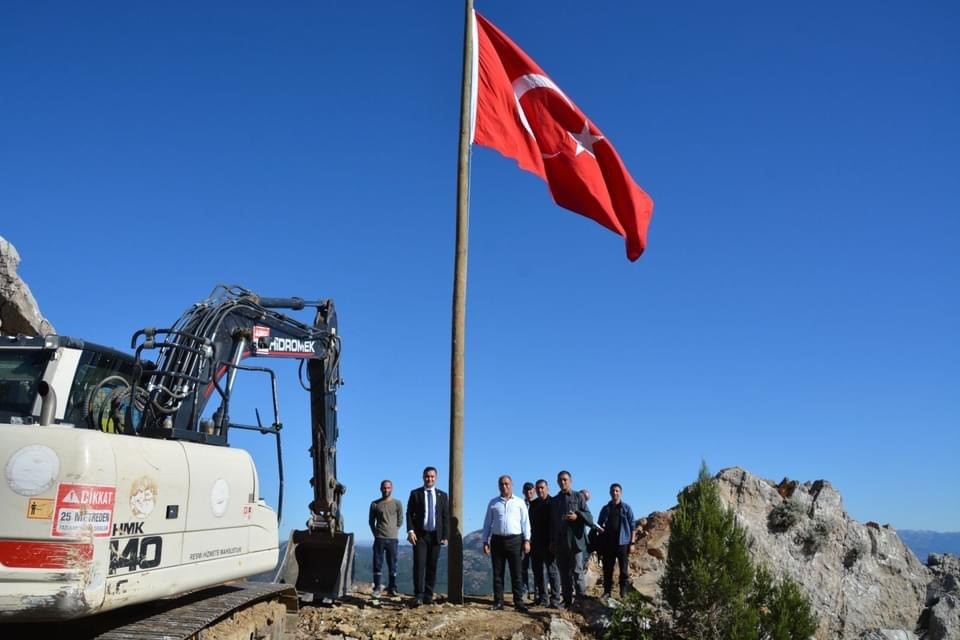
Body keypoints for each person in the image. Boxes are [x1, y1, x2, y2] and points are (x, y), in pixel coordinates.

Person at [481, 475, 531, 612]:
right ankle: (498, 602)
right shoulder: (493, 503)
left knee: (517, 573)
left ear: (512, 484)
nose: (504, 486)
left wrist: (527, 540)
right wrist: (485, 541)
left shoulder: (520, 502)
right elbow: (487, 523)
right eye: (502, 484)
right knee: (498, 573)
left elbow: (526, 523)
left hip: (516, 540)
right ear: (498, 486)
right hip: (497, 540)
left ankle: (519, 602)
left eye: (507, 484)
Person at [550, 470, 594, 608]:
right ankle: (567, 601)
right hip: (560, 542)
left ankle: (581, 600)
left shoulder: (578, 497)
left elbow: (590, 518)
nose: (563, 482)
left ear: (570, 481)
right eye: (560, 480)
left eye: (565, 480)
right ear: (557, 482)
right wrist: (552, 541)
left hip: (575, 541)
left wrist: (577, 516)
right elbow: (552, 523)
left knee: (577, 571)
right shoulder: (555, 500)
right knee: (563, 573)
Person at [406, 466, 449, 606]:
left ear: (436, 478)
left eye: (432, 476)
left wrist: (445, 535)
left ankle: (428, 595)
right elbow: (409, 513)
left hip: (436, 536)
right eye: (427, 476)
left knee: (432, 566)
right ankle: (418, 595)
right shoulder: (415, 494)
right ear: (423, 477)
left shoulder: (442, 496)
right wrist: (410, 531)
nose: (429, 479)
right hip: (420, 536)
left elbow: (445, 516)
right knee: (419, 565)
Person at [597, 483, 637, 601]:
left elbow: (632, 526)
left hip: (623, 543)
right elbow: (598, 525)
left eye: (617, 491)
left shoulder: (626, 508)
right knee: (607, 569)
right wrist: (599, 529)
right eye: (613, 491)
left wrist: (632, 543)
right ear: (610, 493)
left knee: (624, 570)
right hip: (608, 543)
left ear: (621, 493)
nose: (615, 493)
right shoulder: (605, 509)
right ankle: (607, 592)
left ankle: (623, 592)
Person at [529, 478, 562, 607]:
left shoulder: (553, 503)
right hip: (535, 543)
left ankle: (555, 598)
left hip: (550, 543)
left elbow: (556, 524)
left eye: (542, 488)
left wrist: (554, 541)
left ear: (547, 488)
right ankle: (543, 598)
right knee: (537, 572)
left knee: (552, 571)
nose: (540, 490)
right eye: (538, 488)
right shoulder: (533, 504)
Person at [368, 479, 403, 597]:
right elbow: (371, 522)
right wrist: (376, 534)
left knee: (393, 564)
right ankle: (377, 588)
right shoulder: (375, 504)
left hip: (393, 538)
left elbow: (400, 520)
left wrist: (394, 530)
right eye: (384, 488)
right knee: (377, 563)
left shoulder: (397, 503)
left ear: (391, 489)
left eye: (388, 488)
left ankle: (392, 588)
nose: (386, 490)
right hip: (379, 538)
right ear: (380, 488)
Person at [521, 481, 535, 600]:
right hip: (523, 539)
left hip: (536, 539)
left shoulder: (539, 503)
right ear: (523, 492)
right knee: (522, 566)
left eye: (531, 491)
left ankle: (537, 590)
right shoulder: (520, 504)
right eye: (526, 491)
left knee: (537, 567)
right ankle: (524, 589)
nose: (529, 493)